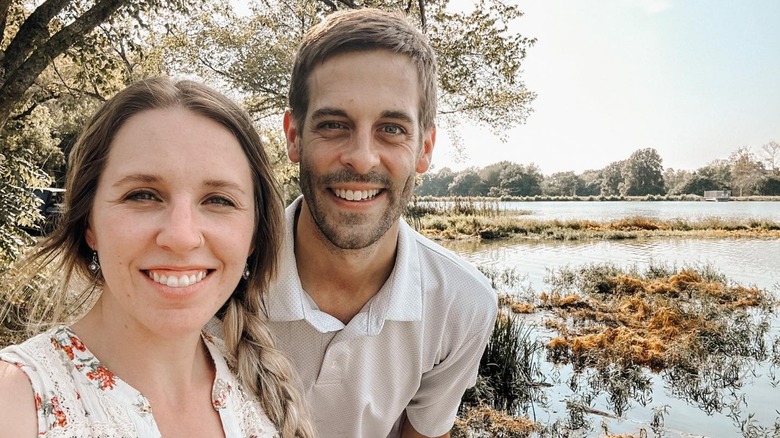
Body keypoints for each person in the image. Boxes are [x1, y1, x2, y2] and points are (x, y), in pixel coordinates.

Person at [0, 77, 314, 437]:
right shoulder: (15, 403)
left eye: (218, 200)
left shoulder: (263, 392)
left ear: (254, 236)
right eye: (142, 195)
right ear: (90, 222)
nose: (181, 236)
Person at [267, 8, 499, 437]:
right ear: (294, 136)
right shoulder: (220, 281)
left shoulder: (463, 304)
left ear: (424, 148)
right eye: (334, 125)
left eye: (391, 129)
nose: (362, 157)